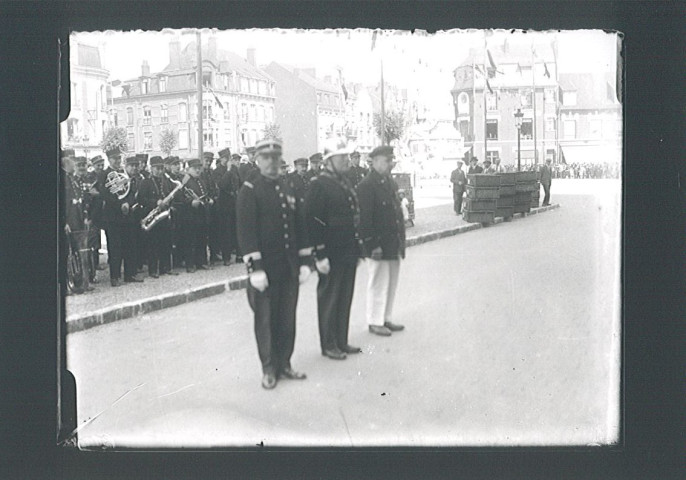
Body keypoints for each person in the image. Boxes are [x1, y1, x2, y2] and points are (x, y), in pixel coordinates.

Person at [237, 138, 312, 389]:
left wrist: (305, 261)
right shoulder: (250, 189)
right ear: (258, 159)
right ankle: (269, 368)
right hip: (265, 269)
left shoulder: (287, 185)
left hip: (288, 266)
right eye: (266, 157)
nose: (271, 162)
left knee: (287, 319)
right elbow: (246, 232)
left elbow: (300, 225)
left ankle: (285, 363)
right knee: (266, 321)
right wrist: (255, 269)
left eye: (275, 157)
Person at [305, 141, 363, 360]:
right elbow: (312, 221)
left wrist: (357, 248)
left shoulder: (343, 181)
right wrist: (319, 255)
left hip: (347, 249)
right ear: (329, 162)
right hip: (330, 251)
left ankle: (341, 340)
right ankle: (328, 344)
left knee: (344, 296)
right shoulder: (319, 184)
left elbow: (352, 217)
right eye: (342, 158)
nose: (347, 161)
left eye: (347, 157)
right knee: (330, 297)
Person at [357, 145, 406, 337]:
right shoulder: (366, 186)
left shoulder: (389, 183)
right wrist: (371, 244)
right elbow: (364, 219)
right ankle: (374, 321)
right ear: (375, 161)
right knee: (378, 281)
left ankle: (386, 317)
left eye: (392, 160)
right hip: (377, 244)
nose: (391, 164)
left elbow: (396, 214)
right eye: (387, 160)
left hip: (392, 242)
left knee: (391, 282)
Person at [101, 154, 144, 286]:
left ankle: (130, 274)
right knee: (115, 248)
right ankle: (115, 277)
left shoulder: (122, 174)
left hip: (127, 216)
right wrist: (120, 204)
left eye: (119, 159)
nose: (117, 161)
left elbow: (131, 193)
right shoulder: (103, 174)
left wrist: (128, 204)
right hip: (113, 217)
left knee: (130, 245)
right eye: (115, 159)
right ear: (109, 159)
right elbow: (105, 194)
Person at [138, 156, 175, 278]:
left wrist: (169, 202)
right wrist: (156, 202)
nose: (159, 171)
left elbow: (170, 195)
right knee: (153, 244)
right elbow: (141, 199)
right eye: (157, 168)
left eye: (161, 168)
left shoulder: (166, 181)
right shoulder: (146, 182)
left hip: (164, 216)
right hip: (152, 216)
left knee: (166, 242)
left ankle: (165, 267)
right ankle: (153, 270)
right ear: (151, 169)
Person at [63, 151, 93, 293]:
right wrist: (64, 222)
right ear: (65, 161)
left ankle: (81, 282)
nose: (74, 164)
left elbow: (82, 200)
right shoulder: (62, 179)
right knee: (68, 254)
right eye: (72, 161)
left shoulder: (74, 179)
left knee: (77, 252)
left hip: (78, 220)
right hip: (70, 221)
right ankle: (69, 285)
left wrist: (85, 216)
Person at [181, 158, 213, 273]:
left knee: (202, 238)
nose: (198, 170)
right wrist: (190, 202)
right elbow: (180, 198)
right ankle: (190, 264)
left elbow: (205, 193)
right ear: (189, 169)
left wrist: (208, 200)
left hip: (201, 213)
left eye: (199, 168)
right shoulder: (185, 181)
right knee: (190, 240)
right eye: (195, 168)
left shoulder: (201, 180)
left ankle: (201, 262)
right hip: (190, 214)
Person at [214, 148, 240, 265]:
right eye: (225, 158)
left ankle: (239, 255)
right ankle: (226, 257)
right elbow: (221, 185)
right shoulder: (217, 171)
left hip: (234, 202)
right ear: (221, 159)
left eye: (228, 157)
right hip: (224, 203)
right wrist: (228, 171)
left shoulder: (235, 169)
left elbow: (238, 182)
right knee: (226, 232)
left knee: (236, 229)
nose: (228, 159)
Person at [87, 155, 106, 272]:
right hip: (95, 211)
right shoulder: (90, 177)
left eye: (102, 165)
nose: (100, 167)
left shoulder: (106, 175)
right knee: (95, 237)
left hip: (105, 210)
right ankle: (95, 263)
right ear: (93, 166)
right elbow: (90, 193)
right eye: (98, 165)